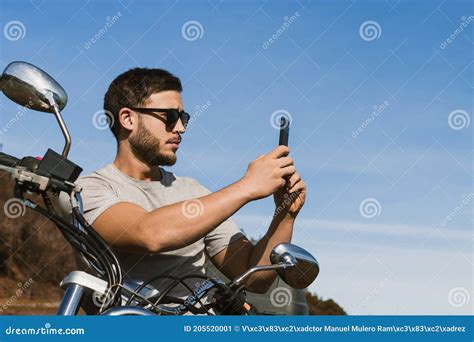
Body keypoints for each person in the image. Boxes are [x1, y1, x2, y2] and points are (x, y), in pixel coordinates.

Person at [61, 67, 307, 299]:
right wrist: (248, 186)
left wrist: (284, 214)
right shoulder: (88, 191)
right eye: (169, 117)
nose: (180, 128)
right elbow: (150, 234)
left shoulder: (194, 191)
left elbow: (254, 279)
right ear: (127, 119)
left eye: (183, 118)